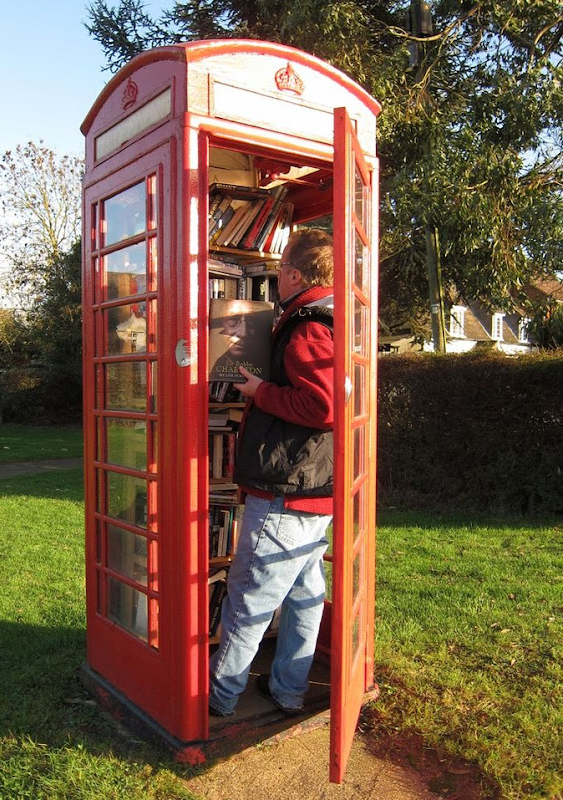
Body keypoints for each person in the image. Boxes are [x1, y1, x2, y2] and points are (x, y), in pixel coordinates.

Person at [209, 228, 336, 717]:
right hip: (317, 485)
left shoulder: (308, 326)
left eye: (281, 267)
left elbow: (323, 405)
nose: (278, 275)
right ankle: (288, 690)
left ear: (296, 275)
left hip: (288, 488)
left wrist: (259, 392)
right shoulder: (333, 315)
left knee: (248, 600)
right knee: (304, 596)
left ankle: (218, 699)